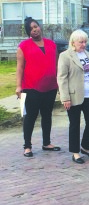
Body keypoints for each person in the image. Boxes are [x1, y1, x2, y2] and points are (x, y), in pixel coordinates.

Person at [16, 17, 60, 157]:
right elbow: (20, 67)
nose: (34, 30)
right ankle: (27, 146)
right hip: (31, 87)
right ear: (28, 32)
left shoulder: (51, 44)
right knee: (31, 117)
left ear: (40, 27)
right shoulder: (23, 46)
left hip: (51, 86)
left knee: (47, 115)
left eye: (36, 26)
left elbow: (57, 64)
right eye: (31, 28)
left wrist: (59, 83)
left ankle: (46, 143)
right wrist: (18, 86)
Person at [57, 30, 89, 164]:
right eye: (81, 42)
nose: (84, 44)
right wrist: (65, 98)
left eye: (85, 42)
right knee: (74, 124)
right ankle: (75, 152)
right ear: (73, 42)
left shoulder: (88, 54)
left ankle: (86, 147)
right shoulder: (65, 56)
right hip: (74, 95)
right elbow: (62, 78)